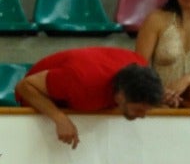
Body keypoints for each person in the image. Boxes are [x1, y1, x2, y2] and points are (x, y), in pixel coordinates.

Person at [15, 47, 163, 149]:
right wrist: (59, 117)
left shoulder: (140, 65)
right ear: (120, 96)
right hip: (40, 95)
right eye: (138, 110)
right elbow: (24, 86)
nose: (143, 116)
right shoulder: (81, 81)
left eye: (147, 110)